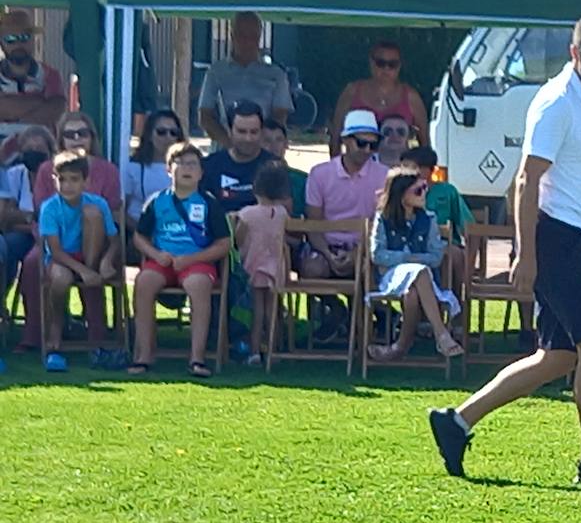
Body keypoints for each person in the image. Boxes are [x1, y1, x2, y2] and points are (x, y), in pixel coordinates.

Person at [428, 13, 581, 490]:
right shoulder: (556, 102)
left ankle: (457, 421)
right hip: (553, 238)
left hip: (576, 236)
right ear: (576, 53)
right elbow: (526, 181)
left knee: (558, 356)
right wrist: (524, 255)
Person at [19, 111, 123, 356]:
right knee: (33, 262)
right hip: (54, 241)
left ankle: (97, 333)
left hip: (95, 243)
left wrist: (102, 260)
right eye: (69, 134)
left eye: (82, 133)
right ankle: (37, 332)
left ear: (92, 137)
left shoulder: (107, 171)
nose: (77, 139)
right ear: (60, 138)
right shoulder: (48, 170)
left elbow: (112, 223)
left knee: (93, 221)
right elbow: (43, 217)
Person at [127, 143, 232, 378]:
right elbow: (139, 236)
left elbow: (223, 243)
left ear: (201, 172)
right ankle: (144, 354)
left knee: (199, 285)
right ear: (168, 169)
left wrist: (192, 258)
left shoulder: (208, 203)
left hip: (197, 261)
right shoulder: (156, 202)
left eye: (192, 164)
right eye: (180, 163)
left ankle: (197, 357)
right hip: (162, 261)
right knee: (143, 282)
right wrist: (156, 255)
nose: (186, 168)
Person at [301, 109, 389, 342]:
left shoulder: (384, 175)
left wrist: (358, 252)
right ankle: (339, 310)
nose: (368, 150)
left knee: (365, 270)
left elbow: (382, 223)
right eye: (362, 143)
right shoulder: (320, 174)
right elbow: (314, 224)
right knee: (311, 270)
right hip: (326, 246)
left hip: (366, 249)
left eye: (373, 145)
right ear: (346, 141)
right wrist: (329, 255)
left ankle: (367, 326)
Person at [368, 164, 463, 362]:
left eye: (425, 188)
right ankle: (441, 333)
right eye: (418, 190)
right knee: (419, 271)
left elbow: (436, 256)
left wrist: (409, 260)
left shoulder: (429, 219)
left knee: (412, 292)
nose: (424, 194)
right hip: (391, 278)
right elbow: (377, 254)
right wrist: (410, 259)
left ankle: (399, 348)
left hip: (424, 282)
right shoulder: (383, 219)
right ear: (401, 195)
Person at [36, 150, 119, 372]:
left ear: (86, 181)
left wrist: (106, 262)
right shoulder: (50, 208)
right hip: (62, 259)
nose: (68, 186)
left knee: (92, 213)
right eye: (62, 180)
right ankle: (56, 326)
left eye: (74, 179)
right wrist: (82, 271)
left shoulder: (98, 202)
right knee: (60, 279)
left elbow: (114, 240)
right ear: (54, 180)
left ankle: (98, 339)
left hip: (91, 254)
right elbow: (54, 250)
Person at [197, 12, 291, 146]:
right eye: (242, 35)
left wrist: (261, 143)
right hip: (225, 149)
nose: (247, 41)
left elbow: (280, 116)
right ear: (232, 35)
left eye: (252, 36)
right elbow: (205, 116)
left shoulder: (276, 75)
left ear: (259, 37)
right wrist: (230, 145)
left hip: (264, 149)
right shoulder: (215, 72)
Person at [235, 163, 294, 367]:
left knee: (257, 309)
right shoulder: (281, 213)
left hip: (254, 264)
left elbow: (239, 239)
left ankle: (254, 351)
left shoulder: (247, 213)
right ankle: (273, 348)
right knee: (273, 310)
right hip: (276, 265)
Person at [329, 40, 428, 157]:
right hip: (358, 168)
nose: (386, 69)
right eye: (381, 63)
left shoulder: (411, 97)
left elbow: (424, 142)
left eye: (392, 64)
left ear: (400, 66)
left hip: (399, 169)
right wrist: (337, 170)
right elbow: (336, 135)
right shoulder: (352, 91)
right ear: (371, 63)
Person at [405, 145, 473, 291]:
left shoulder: (447, 191)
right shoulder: (401, 192)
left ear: (429, 170)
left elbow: (469, 227)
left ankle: (454, 303)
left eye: (414, 167)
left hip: (445, 244)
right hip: (412, 244)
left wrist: (471, 261)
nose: (409, 173)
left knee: (453, 255)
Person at [0, 124, 54, 298]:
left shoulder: (57, 176)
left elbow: (51, 218)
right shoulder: (15, 174)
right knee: (6, 245)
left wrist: (23, 218)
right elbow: (6, 217)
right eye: (28, 148)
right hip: (21, 235)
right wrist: (32, 218)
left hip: (50, 237)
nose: (33, 152)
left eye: (39, 148)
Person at [199, 101, 276, 213]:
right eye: (242, 132)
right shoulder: (209, 166)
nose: (248, 138)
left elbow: (283, 211)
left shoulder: (274, 166)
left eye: (254, 132)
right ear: (230, 131)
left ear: (261, 132)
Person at [0, 9, 64, 129]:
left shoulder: (50, 75)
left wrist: (9, 108)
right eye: (11, 38)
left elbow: (55, 111)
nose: (18, 44)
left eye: (24, 37)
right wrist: (39, 101)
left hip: (40, 146)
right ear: (1, 43)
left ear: (33, 40)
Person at [122, 109, 183, 230]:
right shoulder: (133, 168)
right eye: (161, 132)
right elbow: (121, 210)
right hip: (140, 232)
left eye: (173, 132)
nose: (168, 137)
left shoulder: (188, 168)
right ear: (149, 135)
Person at [260, 118, 309, 217]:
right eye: (267, 141)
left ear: (286, 144)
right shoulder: (248, 176)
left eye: (279, 140)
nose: (273, 146)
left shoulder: (303, 180)